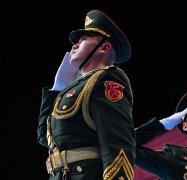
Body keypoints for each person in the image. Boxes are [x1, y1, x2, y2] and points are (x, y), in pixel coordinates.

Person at [37, 9, 135, 180]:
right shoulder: (73, 89)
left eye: (82, 40)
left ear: (104, 47)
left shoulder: (106, 81)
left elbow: (117, 144)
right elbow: (44, 137)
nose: (74, 45)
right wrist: (57, 88)